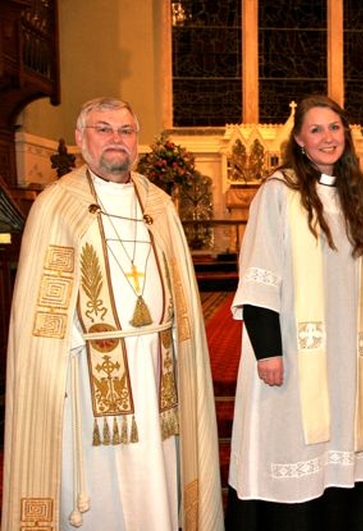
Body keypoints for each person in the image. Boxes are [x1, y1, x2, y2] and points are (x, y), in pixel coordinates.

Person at [2, 97, 224, 530]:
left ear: (137, 142)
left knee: (157, 470)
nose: (116, 139)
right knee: (100, 483)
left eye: (125, 130)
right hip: (87, 373)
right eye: (103, 129)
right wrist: (65, 347)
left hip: (158, 367)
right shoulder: (56, 205)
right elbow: (39, 310)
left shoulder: (158, 204)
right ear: (82, 139)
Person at [225, 94, 363, 531]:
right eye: (316, 130)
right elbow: (259, 273)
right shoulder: (279, 193)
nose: (327, 138)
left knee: (342, 447)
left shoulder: (355, 196)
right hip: (293, 354)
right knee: (292, 443)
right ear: (299, 139)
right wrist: (267, 352)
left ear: (346, 137)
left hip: (345, 356)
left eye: (334, 128)